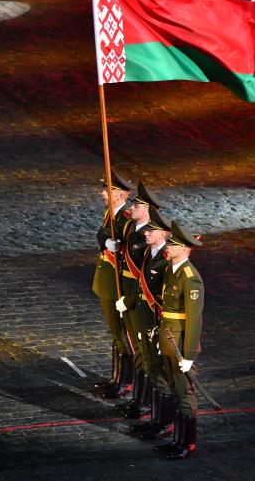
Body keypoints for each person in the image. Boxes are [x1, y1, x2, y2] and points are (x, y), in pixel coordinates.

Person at [155, 220, 204, 460]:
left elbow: (194, 320)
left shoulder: (190, 277)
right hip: (168, 337)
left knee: (185, 394)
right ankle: (177, 439)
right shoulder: (171, 270)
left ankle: (188, 443)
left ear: (183, 249)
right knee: (174, 388)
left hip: (181, 343)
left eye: (172, 245)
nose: (168, 248)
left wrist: (189, 354)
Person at [111, 181, 161, 401]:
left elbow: (142, 277)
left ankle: (142, 401)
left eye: (137, 206)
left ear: (148, 211)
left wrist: (129, 299)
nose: (132, 208)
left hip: (137, 300)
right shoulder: (134, 229)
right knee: (134, 345)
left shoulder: (145, 238)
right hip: (128, 294)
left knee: (141, 349)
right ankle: (138, 399)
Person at [125, 206, 172, 424]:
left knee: (159, 372)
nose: (146, 233)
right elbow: (139, 285)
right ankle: (152, 415)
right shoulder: (148, 253)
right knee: (149, 366)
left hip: (156, 323)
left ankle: (161, 422)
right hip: (143, 319)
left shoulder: (166, 262)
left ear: (162, 234)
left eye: (151, 230)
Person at [92, 168, 133, 397]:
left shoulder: (124, 217)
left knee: (121, 334)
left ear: (122, 194)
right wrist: (105, 241)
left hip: (117, 284)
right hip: (107, 282)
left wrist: (107, 241)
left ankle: (125, 382)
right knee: (115, 333)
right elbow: (101, 234)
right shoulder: (111, 213)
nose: (103, 193)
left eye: (108, 189)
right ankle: (116, 377)